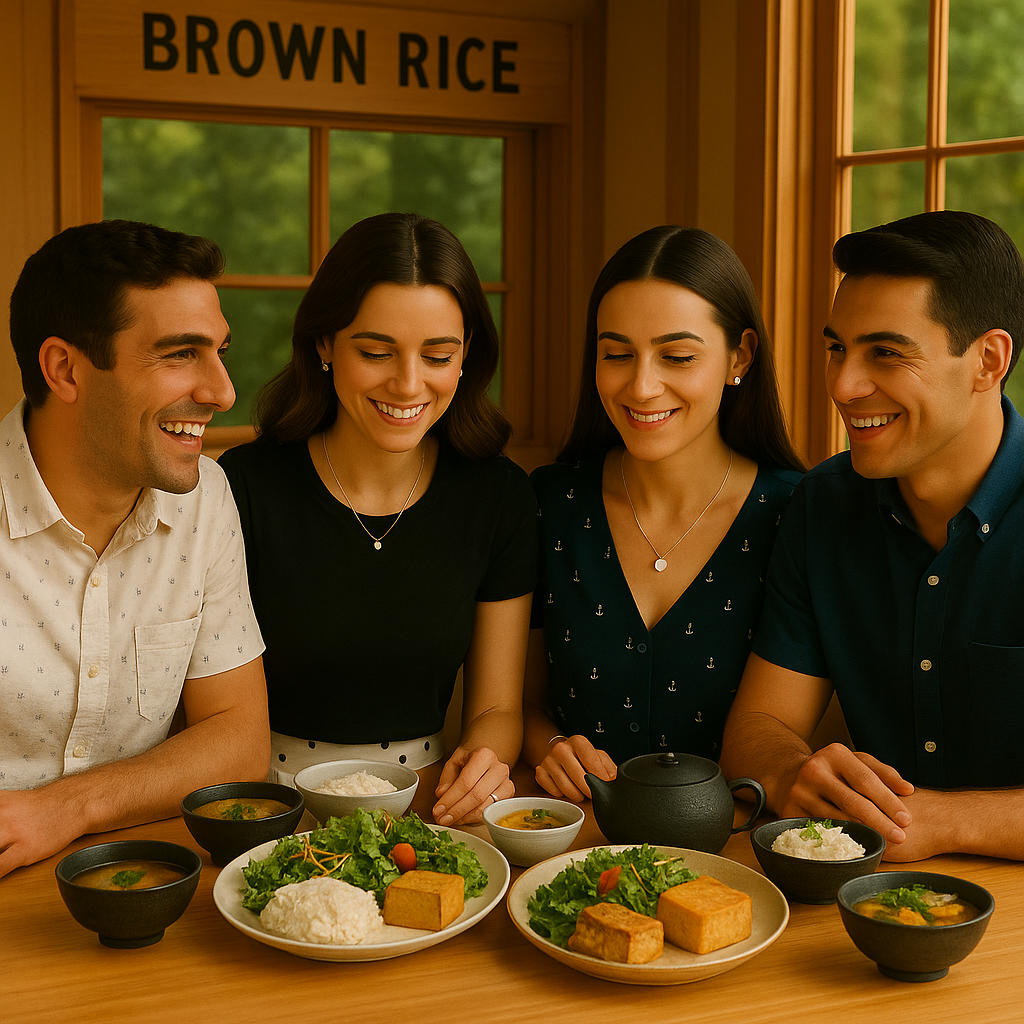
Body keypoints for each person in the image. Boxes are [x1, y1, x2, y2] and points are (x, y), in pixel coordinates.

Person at [720, 210, 1024, 862]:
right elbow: (760, 726)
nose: (843, 385)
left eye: (885, 353)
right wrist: (789, 773)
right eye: (838, 348)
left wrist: (941, 822)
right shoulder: (821, 506)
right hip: (858, 905)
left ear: (988, 361)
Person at [219, 212, 537, 826]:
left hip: (432, 803)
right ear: (323, 345)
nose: (408, 383)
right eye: (376, 352)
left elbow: (497, 707)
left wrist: (483, 766)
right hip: (264, 802)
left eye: (438, 354)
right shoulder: (244, 486)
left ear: (467, 353)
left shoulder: (500, 498)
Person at [0, 219, 270, 879]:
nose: (222, 392)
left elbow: (240, 740)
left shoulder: (205, 496)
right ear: (65, 369)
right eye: (180, 354)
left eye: (219, 351)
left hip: (144, 876)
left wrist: (70, 808)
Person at [523, 226, 805, 801]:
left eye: (676, 356)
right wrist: (549, 748)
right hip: (574, 838)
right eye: (617, 354)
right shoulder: (549, 502)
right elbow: (521, 704)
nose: (642, 386)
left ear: (740, 356)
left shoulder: (796, 514)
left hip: (737, 849)